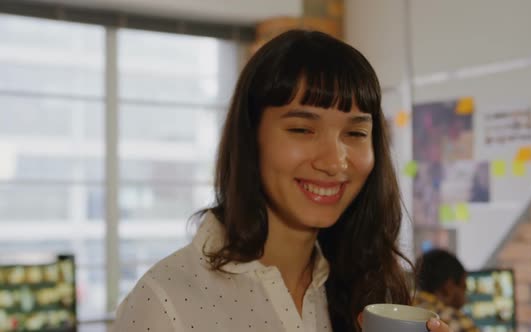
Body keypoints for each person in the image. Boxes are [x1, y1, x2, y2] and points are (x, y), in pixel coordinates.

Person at [113, 29, 450, 332]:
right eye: (302, 129)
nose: (334, 162)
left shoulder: (370, 290)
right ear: (249, 138)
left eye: (355, 132)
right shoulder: (165, 303)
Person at [414, 249, 479, 332]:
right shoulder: (457, 320)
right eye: (464, 287)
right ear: (449, 287)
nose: (466, 299)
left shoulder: (405, 307)